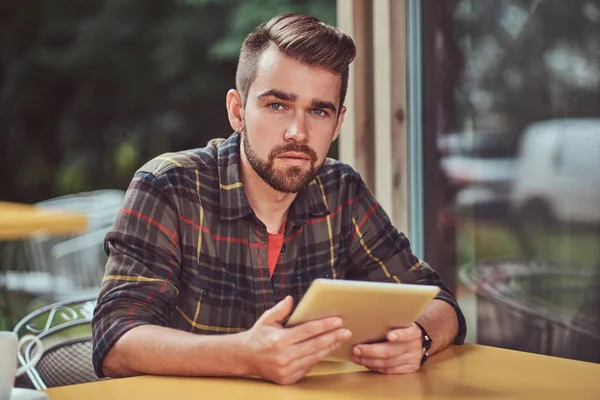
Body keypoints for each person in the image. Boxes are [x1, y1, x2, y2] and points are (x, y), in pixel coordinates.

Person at [92, 13, 466, 386]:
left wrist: (419, 337)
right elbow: (115, 342)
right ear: (237, 111)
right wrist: (244, 355)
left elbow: (440, 304)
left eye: (318, 111)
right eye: (277, 105)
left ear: (337, 125)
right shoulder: (169, 186)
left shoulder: (341, 190)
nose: (297, 132)